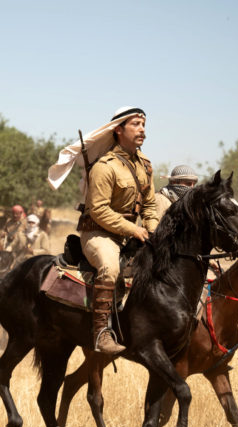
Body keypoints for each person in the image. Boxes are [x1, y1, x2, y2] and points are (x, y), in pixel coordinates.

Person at [77, 106, 158, 354]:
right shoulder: (105, 166)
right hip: (98, 233)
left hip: (131, 233)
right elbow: (98, 210)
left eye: (144, 124)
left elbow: (150, 205)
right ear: (119, 130)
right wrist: (133, 230)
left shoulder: (145, 165)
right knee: (110, 267)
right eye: (135, 124)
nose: (142, 129)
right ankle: (101, 333)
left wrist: (153, 232)